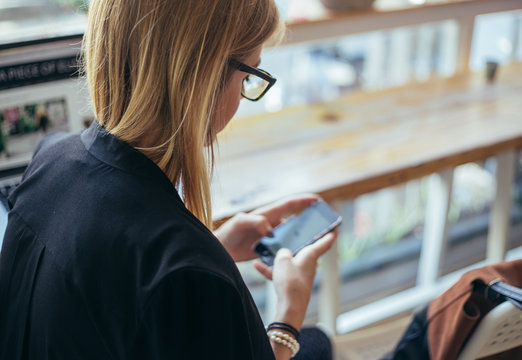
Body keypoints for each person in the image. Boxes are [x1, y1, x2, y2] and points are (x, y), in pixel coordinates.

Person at [0, 1, 337, 359]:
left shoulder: (50, 160)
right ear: (200, 77)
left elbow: (112, 291)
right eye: (248, 76)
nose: (242, 95)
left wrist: (215, 246)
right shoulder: (194, 276)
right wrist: (287, 318)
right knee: (316, 343)